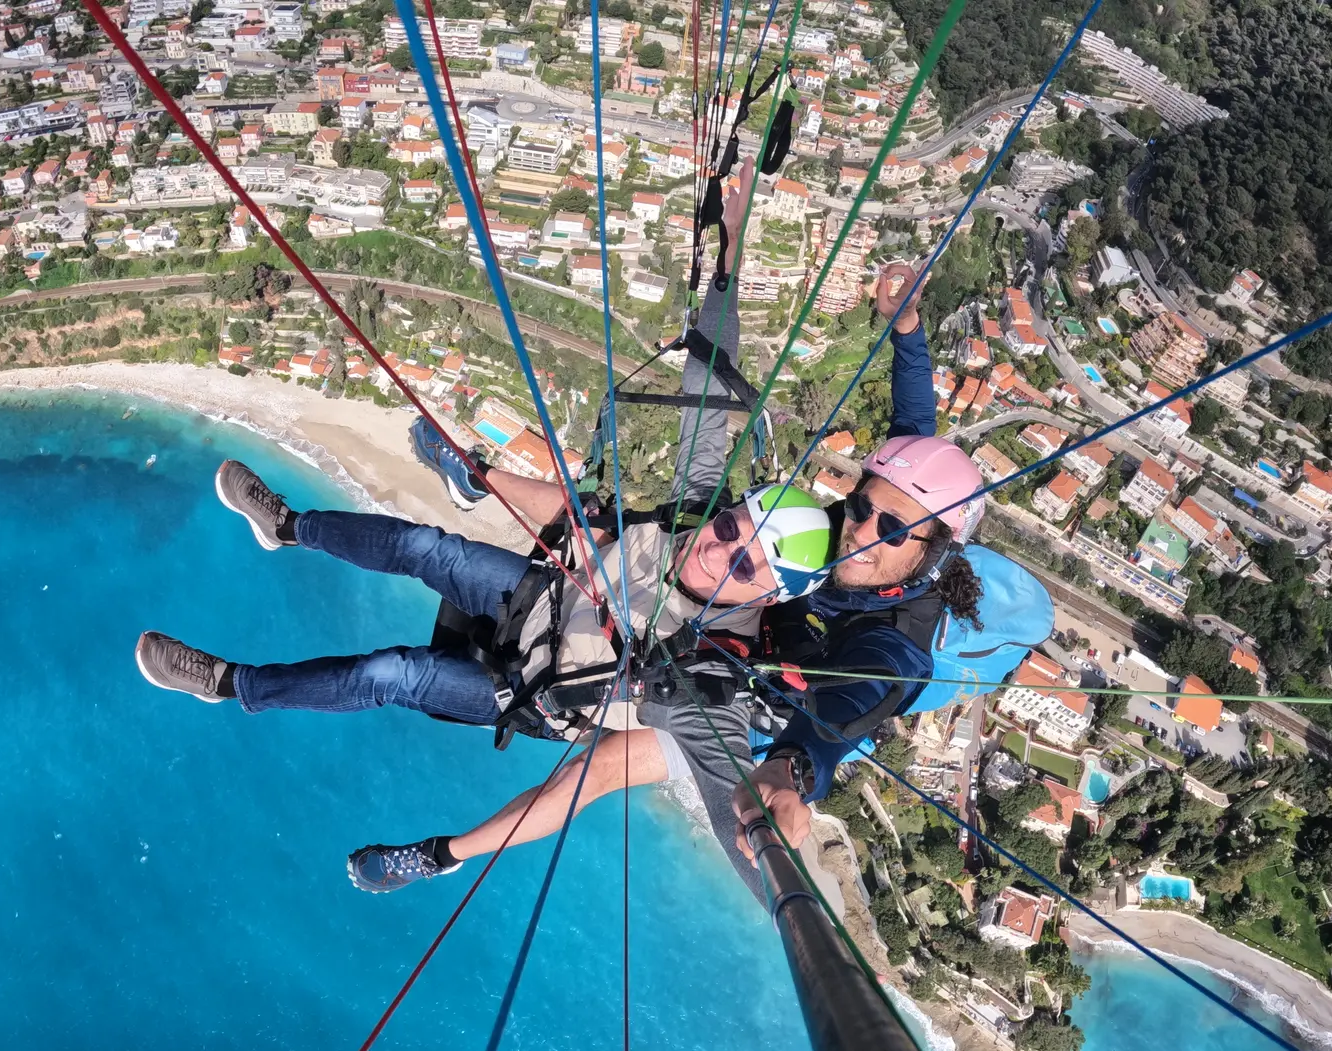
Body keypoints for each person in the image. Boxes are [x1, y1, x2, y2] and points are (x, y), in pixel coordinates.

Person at [135, 162, 840, 897]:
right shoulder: (696, 511)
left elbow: (747, 825)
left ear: (766, 594)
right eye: (733, 527)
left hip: (530, 687)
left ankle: (231, 685)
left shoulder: (714, 679)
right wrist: (727, 259)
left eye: (747, 564)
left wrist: (784, 876)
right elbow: (710, 385)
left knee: (392, 674)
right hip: (542, 594)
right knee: (421, 546)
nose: (719, 548)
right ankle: (287, 525)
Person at [352, 261, 990, 898]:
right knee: (621, 522)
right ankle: (476, 478)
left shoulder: (896, 643)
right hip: (744, 598)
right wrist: (905, 323)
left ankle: (442, 855)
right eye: (860, 507)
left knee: (609, 773)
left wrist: (794, 769)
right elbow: (915, 425)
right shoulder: (888, 505)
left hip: (751, 699)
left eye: (894, 531)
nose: (863, 529)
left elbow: (845, 711)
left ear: (930, 550)